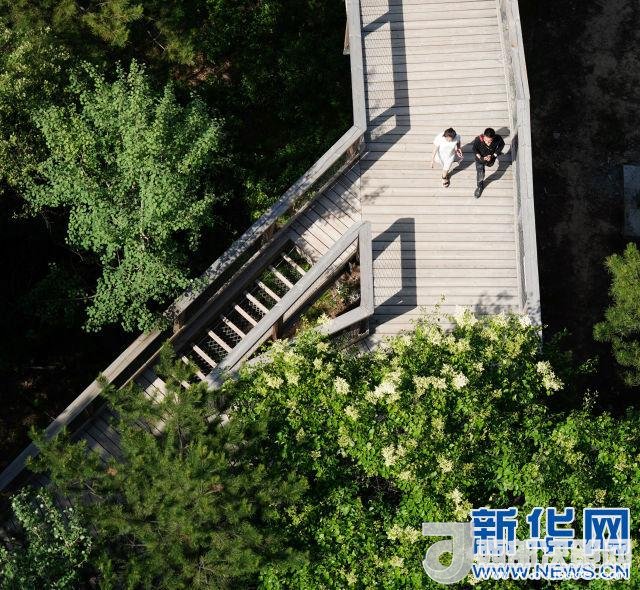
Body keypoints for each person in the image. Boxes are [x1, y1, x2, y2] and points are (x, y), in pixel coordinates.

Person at [472, 128, 505, 198]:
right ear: (484, 136)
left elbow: (502, 145)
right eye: (486, 140)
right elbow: (474, 149)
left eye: (490, 141)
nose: (488, 142)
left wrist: (494, 155)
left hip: (491, 158)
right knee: (480, 173)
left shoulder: (498, 138)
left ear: (493, 138)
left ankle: (490, 161)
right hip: (480, 158)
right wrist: (481, 158)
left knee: (490, 165)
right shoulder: (478, 139)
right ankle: (480, 186)